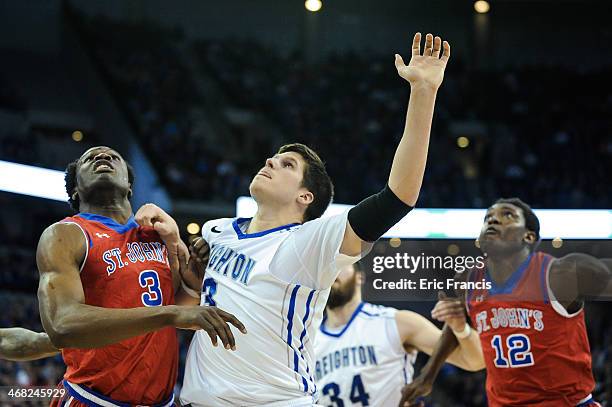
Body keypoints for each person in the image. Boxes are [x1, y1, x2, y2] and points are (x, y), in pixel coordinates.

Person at [142, 32, 451, 406]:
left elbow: (397, 198)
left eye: (287, 164)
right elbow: (182, 312)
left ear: (305, 197)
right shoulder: (217, 232)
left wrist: (423, 93)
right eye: (272, 157)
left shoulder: (307, 243)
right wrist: (180, 256)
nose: (270, 161)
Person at [35, 146, 245, 406]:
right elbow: (61, 326)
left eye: (114, 157)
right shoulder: (66, 234)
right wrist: (173, 313)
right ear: (76, 189)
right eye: (89, 158)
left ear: (129, 186)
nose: (102, 156)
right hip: (93, 398)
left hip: (161, 400)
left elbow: (178, 312)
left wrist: (192, 285)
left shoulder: (158, 234)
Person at [401, 198, 611, 407]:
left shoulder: (561, 274)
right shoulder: (467, 280)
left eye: (507, 215)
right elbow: (457, 322)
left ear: (528, 236)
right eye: (488, 218)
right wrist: (426, 376)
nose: (493, 221)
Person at [313, 262, 484, 406]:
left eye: (339, 263)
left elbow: (475, 360)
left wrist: (461, 330)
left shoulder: (396, 322)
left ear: (359, 277)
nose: (330, 271)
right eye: (325, 266)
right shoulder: (306, 343)